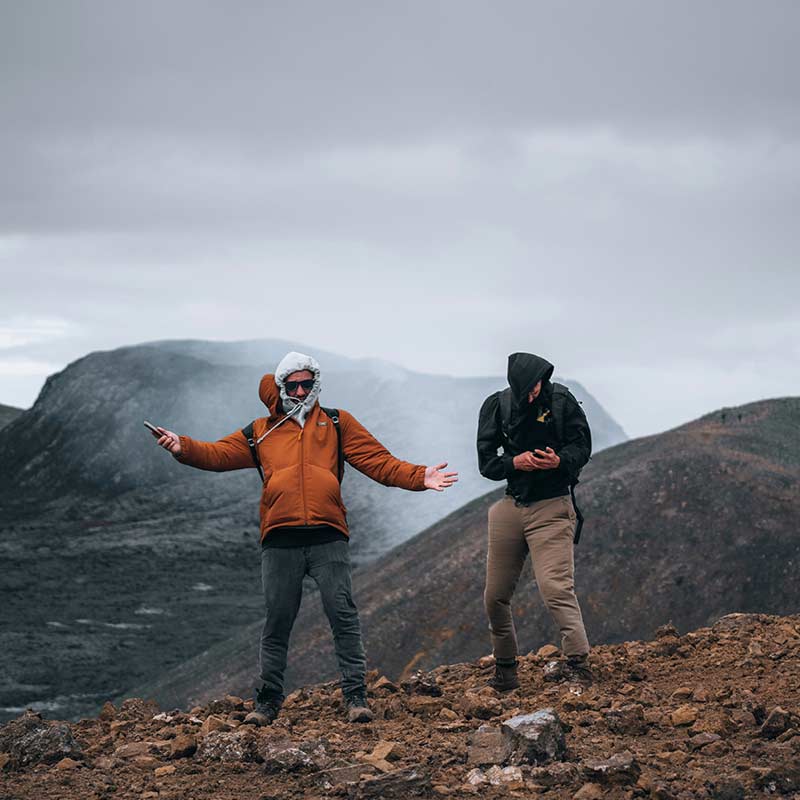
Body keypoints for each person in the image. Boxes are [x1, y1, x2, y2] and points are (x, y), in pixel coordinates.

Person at [151, 351, 458, 724]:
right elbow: (217, 454)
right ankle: (266, 703)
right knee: (278, 620)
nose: (300, 391)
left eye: (307, 383)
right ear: (281, 387)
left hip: (328, 535)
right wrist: (182, 447)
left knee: (342, 615)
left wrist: (419, 476)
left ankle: (356, 697)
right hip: (280, 539)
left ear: (316, 384)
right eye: (292, 384)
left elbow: (379, 461)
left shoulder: (336, 422)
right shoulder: (261, 431)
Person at [476, 352, 592, 691]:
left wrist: (558, 461)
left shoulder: (561, 402)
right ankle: (506, 671)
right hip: (511, 506)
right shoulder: (498, 406)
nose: (532, 395)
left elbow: (582, 447)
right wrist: (517, 463)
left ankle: (578, 665)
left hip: (553, 507)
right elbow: (487, 464)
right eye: (526, 390)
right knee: (494, 596)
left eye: (536, 387)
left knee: (555, 587)